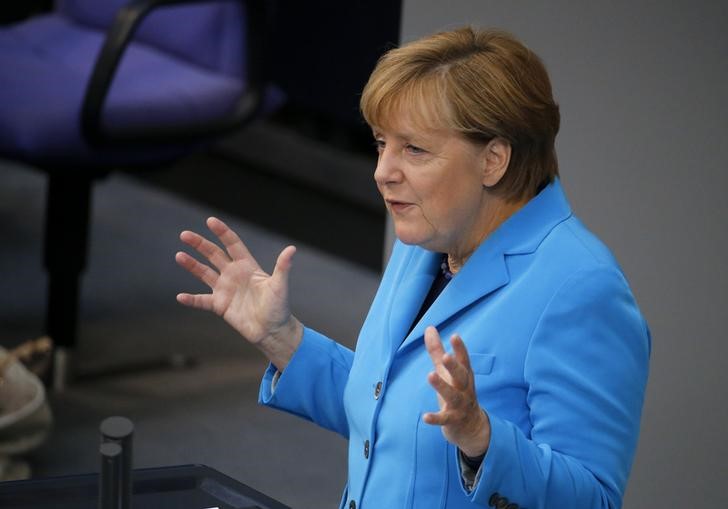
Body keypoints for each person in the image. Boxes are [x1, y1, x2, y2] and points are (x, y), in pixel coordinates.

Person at [175, 27, 650, 509]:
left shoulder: (581, 288)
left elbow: (592, 499)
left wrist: (482, 439)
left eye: (414, 149)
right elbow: (390, 412)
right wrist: (280, 337)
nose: (382, 171)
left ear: (493, 160)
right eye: (382, 143)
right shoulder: (426, 239)